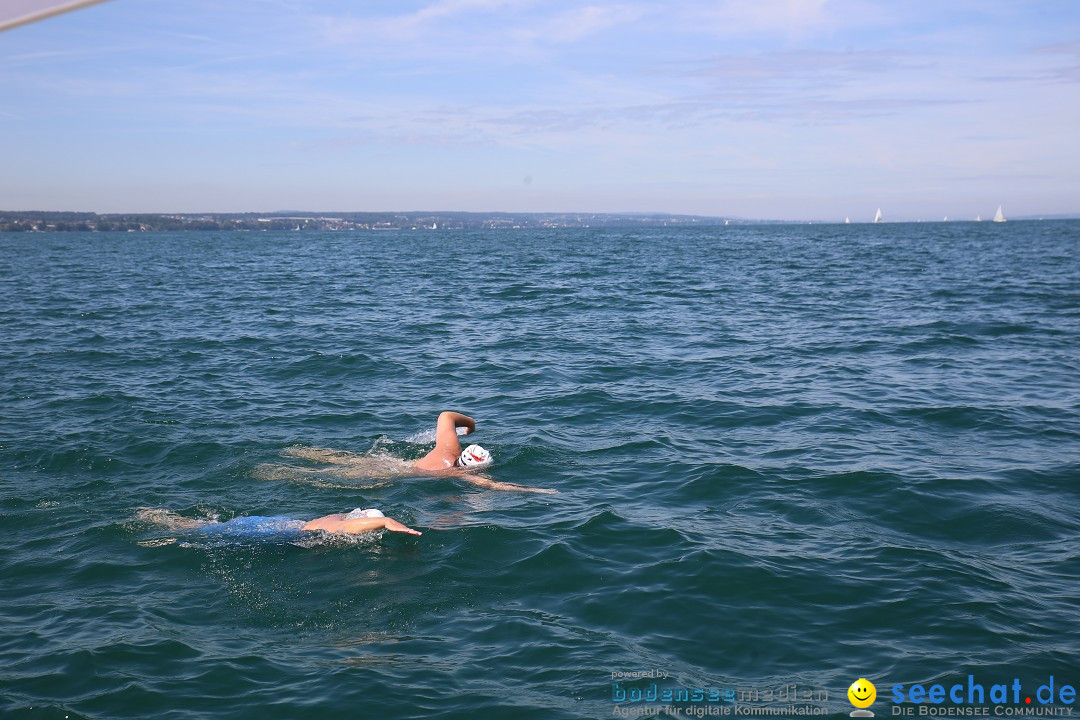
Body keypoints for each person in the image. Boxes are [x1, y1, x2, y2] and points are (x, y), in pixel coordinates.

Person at [137, 507, 421, 537]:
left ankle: (167, 519)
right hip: (274, 532)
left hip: (279, 523)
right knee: (203, 532)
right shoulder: (339, 525)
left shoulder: (340, 515)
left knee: (212, 526)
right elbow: (349, 530)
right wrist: (387, 523)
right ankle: (162, 524)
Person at [412, 411, 493, 472]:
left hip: (405, 465)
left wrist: (471, 425)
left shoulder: (450, 448)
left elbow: (446, 416)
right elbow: (486, 483)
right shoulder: (451, 472)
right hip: (406, 472)